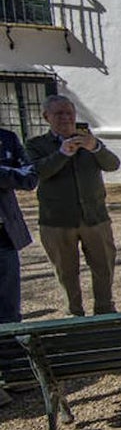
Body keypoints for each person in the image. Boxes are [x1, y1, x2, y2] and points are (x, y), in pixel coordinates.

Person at [25, 95, 120, 317]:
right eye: (59, 114)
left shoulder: (87, 140)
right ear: (46, 117)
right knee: (66, 270)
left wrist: (95, 147)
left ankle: (105, 309)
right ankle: (74, 311)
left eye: (69, 113)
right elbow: (36, 173)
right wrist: (62, 154)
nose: (66, 118)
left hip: (95, 217)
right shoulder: (36, 145)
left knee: (103, 265)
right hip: (57, 220)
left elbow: (113, 164)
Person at [0, 126, 37, 406]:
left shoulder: (7, 139)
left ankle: (13, 372)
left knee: (9, 309)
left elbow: (29, 177)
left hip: (4, 236)